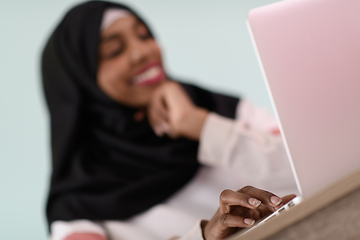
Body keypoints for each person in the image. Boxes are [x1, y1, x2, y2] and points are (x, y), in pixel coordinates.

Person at [41, 1, 296, 240]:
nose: (141, 52)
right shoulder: (78, 211)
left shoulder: (221, 110)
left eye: (144, 36)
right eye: (114, 50)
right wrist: (205, 234)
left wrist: (201, 125)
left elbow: (318, 167)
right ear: (82, 84)